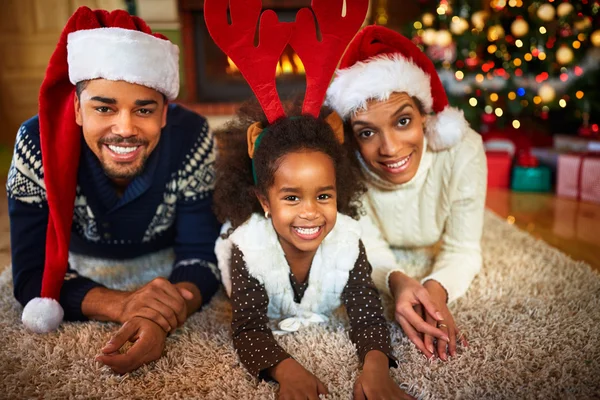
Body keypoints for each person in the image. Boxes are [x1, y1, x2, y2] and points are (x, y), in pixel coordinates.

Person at [6, 7, 221, 374]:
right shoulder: (35, 143)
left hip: (160, 256)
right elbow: (30, 273)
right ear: (76, 109)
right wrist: (122, 305)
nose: (124, 129)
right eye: (104, 108)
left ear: (165, 114)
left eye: (144, 110)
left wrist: (159, 318)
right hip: (84, 258)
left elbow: (201, 256)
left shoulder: (192, 137)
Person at [213, 102, 413, 400]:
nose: (310, 212)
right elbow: (247, 328)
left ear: (337, 190)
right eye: (292, 197)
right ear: (265, 203)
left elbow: (367, 313)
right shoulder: (248, 248)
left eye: (323, 195)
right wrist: (287, 370)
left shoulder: (347, 240)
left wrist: (377, 368)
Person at [326, 26, 487, 361]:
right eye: (368, 132)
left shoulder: (463, 151)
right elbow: (363, 243)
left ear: (425, 117)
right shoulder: (345, 167)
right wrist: (396, 280)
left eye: (403, 122)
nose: (391, 149)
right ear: (353, 138)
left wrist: (435, 290)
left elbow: (463, 248)